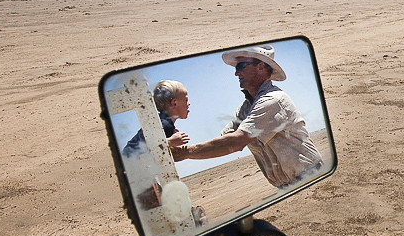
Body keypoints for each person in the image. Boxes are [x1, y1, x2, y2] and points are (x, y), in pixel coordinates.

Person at [172, 45, 323, 188]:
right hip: (288, 186)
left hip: (312, 178)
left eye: (240, 66)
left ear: (261, 67)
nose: (236, 73)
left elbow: (237, 141)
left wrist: (186, 152)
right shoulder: (245, 109)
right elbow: (224, 139)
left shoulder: (273, 100)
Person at [122, 80, 190, 157]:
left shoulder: (162, 122)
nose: (189, 104)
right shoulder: (162, 124)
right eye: (186, 100)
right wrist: (169, 142)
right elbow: (132, 150)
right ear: (174, 103)